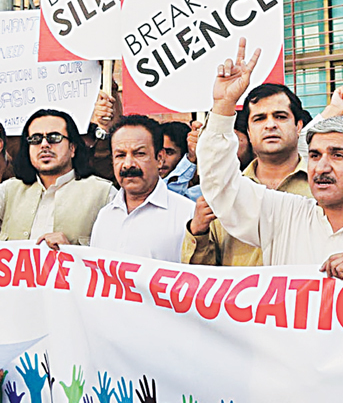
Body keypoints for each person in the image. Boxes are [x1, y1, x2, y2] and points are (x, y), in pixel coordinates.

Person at [194, 38, 343, 278]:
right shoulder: (283, 216)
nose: (322, 167)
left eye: (337, 155)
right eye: (315, 155)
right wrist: (224, 105)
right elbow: (220, 184)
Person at [0, 101, 116, 245]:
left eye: (54, 138)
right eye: (35, 139)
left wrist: (73, 254)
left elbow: (118, 257)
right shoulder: (10, 191)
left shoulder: (104, 193)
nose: (44, 145)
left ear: (73, 148)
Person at [183, 83, 314, 266]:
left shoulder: (322, 188)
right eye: (259, 118)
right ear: (249, 133)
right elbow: (202, 277)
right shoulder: (225, 191)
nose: (270, 125)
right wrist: (198, 231)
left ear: (298, 126)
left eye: (280, 116)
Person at [90, 115, 195, 262]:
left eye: (139, 154)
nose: (128, 164)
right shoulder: (105, 217)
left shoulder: (187, 214)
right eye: (120, 155)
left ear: (159, 158)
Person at [159, 121, 196, 196]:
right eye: (157, 152)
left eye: (169, 152)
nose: (161, 159)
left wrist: (190, 160)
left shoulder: (199, 193)